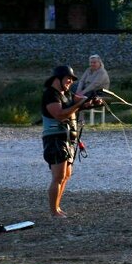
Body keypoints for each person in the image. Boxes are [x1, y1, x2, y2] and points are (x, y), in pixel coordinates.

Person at [41, 65, 103, 218]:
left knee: (66, 175)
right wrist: (79, 104)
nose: (70, 81)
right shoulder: (51, 94)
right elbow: (60, 114)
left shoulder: (67, 94)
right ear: (58, 79)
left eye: (72, 79)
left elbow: (78, 103)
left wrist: (91, 102)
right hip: (55, 139)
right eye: (68, 78)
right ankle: (54, 212)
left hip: (68, 139)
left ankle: (57, 207)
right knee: (58, 176)